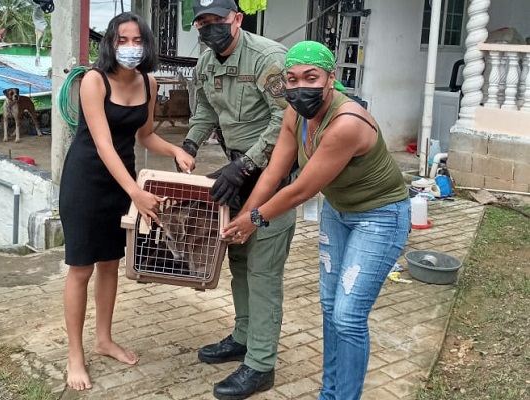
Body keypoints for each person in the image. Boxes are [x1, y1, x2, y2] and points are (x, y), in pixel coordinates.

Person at [222, 41, 411, 400]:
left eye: (311, 77)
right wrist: (247, 212)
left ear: (330, 79)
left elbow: (301, 191)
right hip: (339, 215)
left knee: (348, 316)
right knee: (329, 309)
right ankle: (330, 393)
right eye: (291, 79)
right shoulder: (295, 113)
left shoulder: (346, 123)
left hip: (380, 217)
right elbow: (275, 169)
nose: (300, 86)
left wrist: (254, 221)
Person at [58, 12, 194, 391]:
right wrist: (136, 191)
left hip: (122, 182)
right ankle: (75, 354)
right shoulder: (93, 81)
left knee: (110, 264)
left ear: (146, 45)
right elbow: (102, 143)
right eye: (122, 40)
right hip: (86, 181)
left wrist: (175, 151)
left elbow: (145, 134)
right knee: (81, 267)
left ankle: (103, 340)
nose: (130, 47)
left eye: (137, 40)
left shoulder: (148, 82)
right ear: (110, 44)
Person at [178, 1, 297, 399]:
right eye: (202, 23)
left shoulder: (268, 58)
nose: (209, 29)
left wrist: (245, 165)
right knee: (239, 261)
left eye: (216, 21)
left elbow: (286, 121)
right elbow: (206, 111)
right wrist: (191, 142)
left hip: (272, 175)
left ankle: (261, 365)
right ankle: (244, 337)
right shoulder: (206, 65)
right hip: (237, 174)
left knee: (263, 270)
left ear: (237, 19)